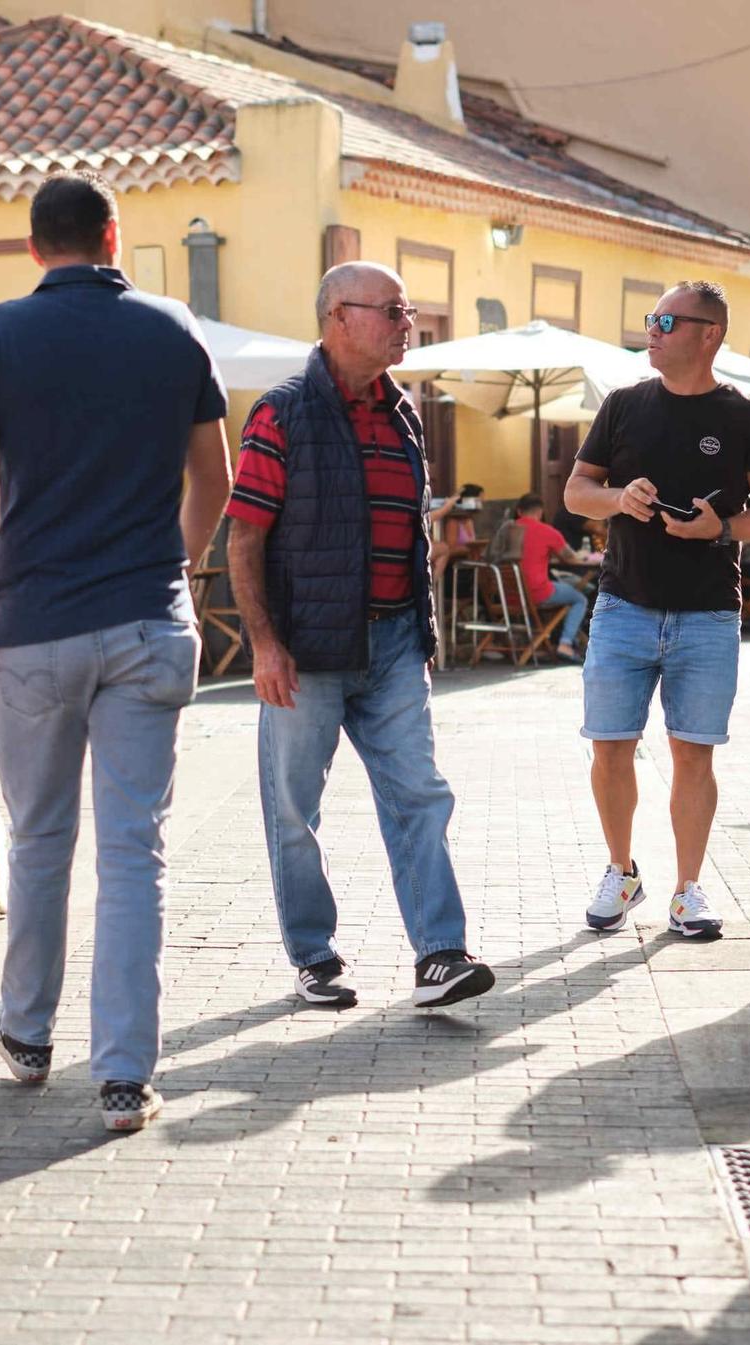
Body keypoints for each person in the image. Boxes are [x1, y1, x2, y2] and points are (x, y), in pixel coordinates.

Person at [0, 171, 231, 1132]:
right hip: (149, 618)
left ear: (33, 249)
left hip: (36, 624)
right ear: (114, 236)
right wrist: (176, 563)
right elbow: (214, 476)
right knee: (135, 849)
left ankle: (26, 1030)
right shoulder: (173, 327)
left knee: (46, 835)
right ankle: (125, 1073)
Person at [226, 261, 494, 1011]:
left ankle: (440, 954)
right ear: (339, 316)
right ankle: (313, 954)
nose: (407, 323)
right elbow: (243, 537)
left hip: (396, 644)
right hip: (306, 652)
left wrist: (425, 624)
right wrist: (265, 644)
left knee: (420, 794)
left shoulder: (404, 413)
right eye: (394, 310)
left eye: (407, 310)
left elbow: (408, 530)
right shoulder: (280, 414)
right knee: (293, 810)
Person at [564, 281, 750, 936]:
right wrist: (618, 499)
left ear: (708, 333)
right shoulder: (624, 405)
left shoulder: (745, 416)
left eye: (665, 319)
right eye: (650, 318)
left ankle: (689, 889)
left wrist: (720, 528)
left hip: (707, 612)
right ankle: (621, 870)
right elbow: (580, 491)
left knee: (695, 753)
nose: (652, 330)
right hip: (624, 605)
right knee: (610, 745)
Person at [510, 492, 587, 660]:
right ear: (540, 512)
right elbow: (570, 558)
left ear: (519, 511)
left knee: (562, 588)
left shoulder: (506, 531)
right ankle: (565, 644)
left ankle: (549, 641)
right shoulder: (547, 532)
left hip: (507, 595)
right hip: (536, 593)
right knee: (580, 599)